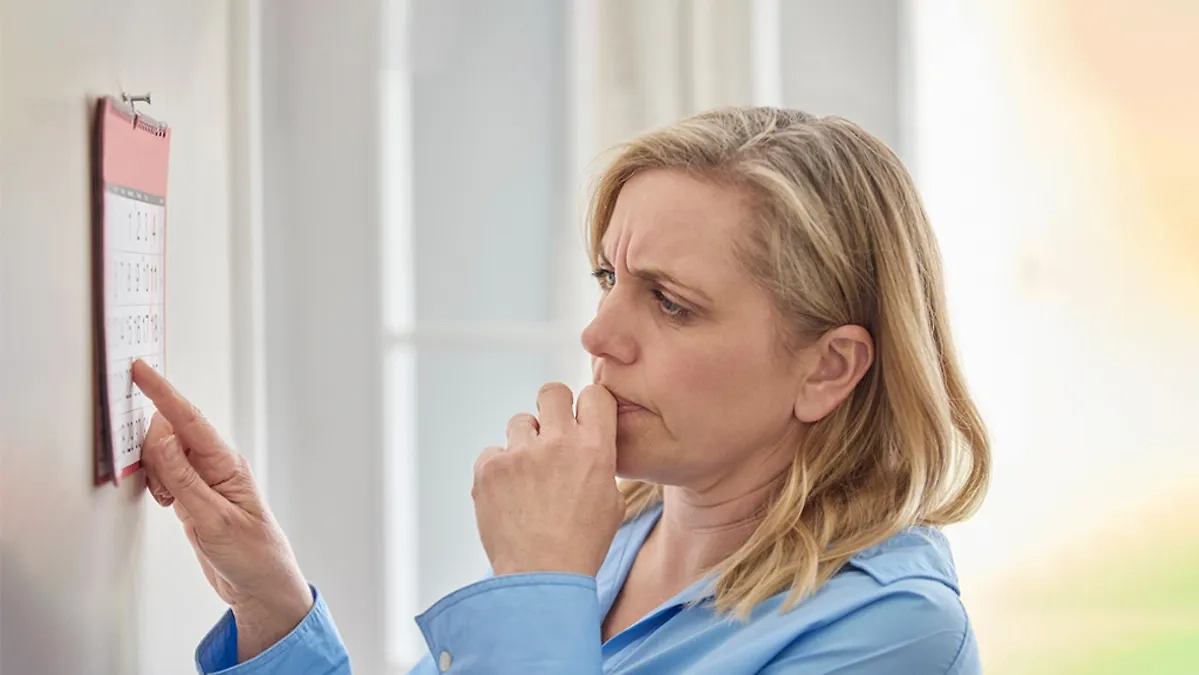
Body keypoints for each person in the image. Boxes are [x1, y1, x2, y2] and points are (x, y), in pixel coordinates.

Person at [132, 106, 990, 674]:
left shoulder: (897, 636)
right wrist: (272, 605)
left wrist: (540, 583)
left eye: (670, 302)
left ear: (827, 368)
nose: (598, 334)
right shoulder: (610, 538)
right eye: (608, 277)